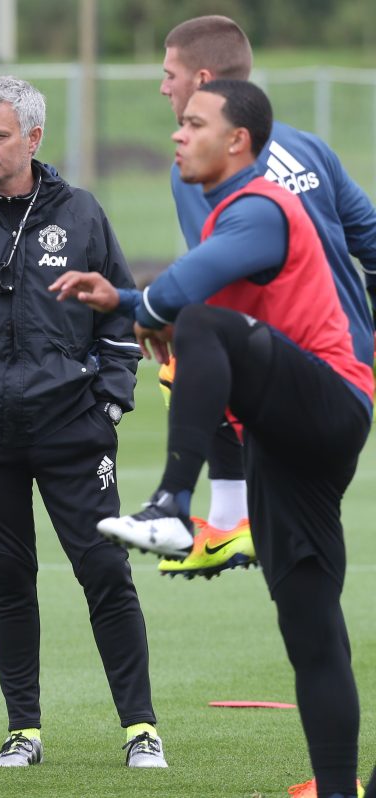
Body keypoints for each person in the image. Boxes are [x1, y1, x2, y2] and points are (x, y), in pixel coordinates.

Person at [52, 79, 371, 798]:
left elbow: (181, 297)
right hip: (287, 438)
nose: (175, 133)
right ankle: (341, 786)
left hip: (329, 403)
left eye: (193, 122)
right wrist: (123, 300)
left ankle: (171, 503)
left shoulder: (258, 207)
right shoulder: (234, 215)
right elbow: (175, 298)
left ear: (238, 142)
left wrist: (150, 306)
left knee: (198, 323)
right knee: (310, 627)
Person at [0, 75, 165, 770]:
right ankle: (24, 731)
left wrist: (109, 402)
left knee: (104, 570)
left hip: (71, 428)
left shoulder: (80, 215)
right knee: (7, 580)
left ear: (33, 138)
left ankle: (141, 728)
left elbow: (117, 319)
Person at [153, 15, 376, 581]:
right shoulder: (309, 148)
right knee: (308, 561)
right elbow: (372, 241)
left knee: (194, 356)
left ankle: (229, 519)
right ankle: (234, 521)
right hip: (349, 367)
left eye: (169, 74)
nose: (163, 88)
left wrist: (151, 314)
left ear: (202, 79)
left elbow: (220, 278)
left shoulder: (205, 167)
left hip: (291, 368)